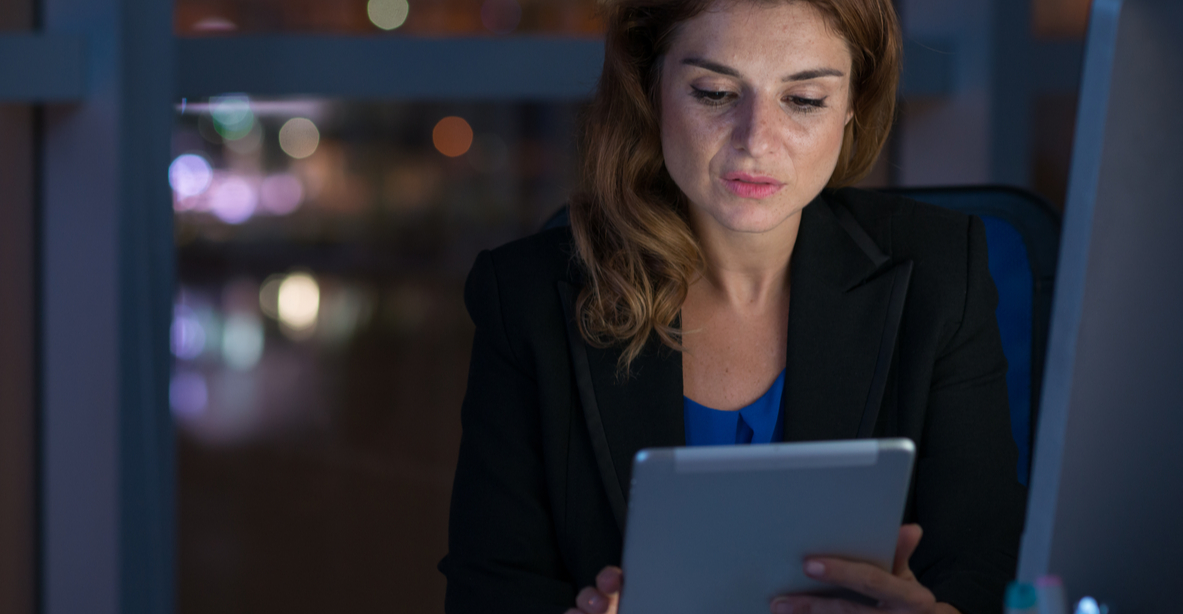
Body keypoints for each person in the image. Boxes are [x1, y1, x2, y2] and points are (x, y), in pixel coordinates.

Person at [437, 0, 1026, 612]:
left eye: (803, 100)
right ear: (650, 85)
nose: (756, 141)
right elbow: (489, 588)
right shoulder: (525, 299)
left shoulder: (941, 273)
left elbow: (986, 568)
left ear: (852, 103)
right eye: (716, 93)